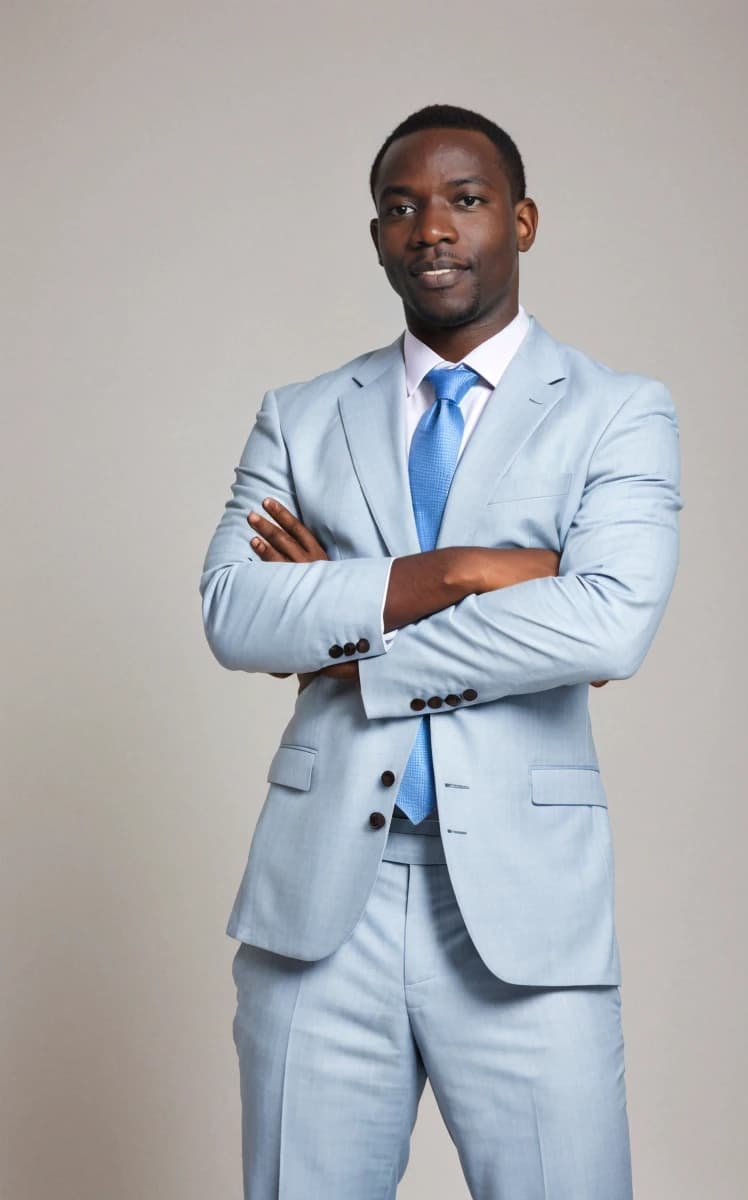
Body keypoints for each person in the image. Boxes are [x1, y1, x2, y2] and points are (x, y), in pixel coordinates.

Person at [199, 103, 682, 1200]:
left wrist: (351, 632)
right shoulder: (300, 415)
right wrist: (471, 568)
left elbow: (609, 621)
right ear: (376, 237)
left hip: (525, 915)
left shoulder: (615, 413)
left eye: (463, 201)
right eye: (401, 207)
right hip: (318, 912)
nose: (432, 228)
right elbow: (235, 610)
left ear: (520, 220)